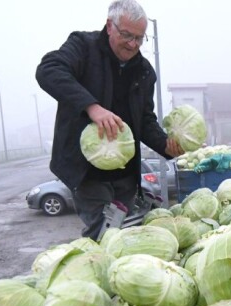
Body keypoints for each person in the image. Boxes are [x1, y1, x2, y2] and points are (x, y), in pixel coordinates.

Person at [36, 0, 182, 239]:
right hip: (87, 170)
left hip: (124, 174)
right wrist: (92, 107)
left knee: (122, 233)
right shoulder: (83, 46)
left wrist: (166, 145)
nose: (133, 44)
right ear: (109, 26)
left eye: (139, 38)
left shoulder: (144, 71)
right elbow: (48, 70)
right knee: (102, 232)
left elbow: (144, 120)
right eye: (127, 35)